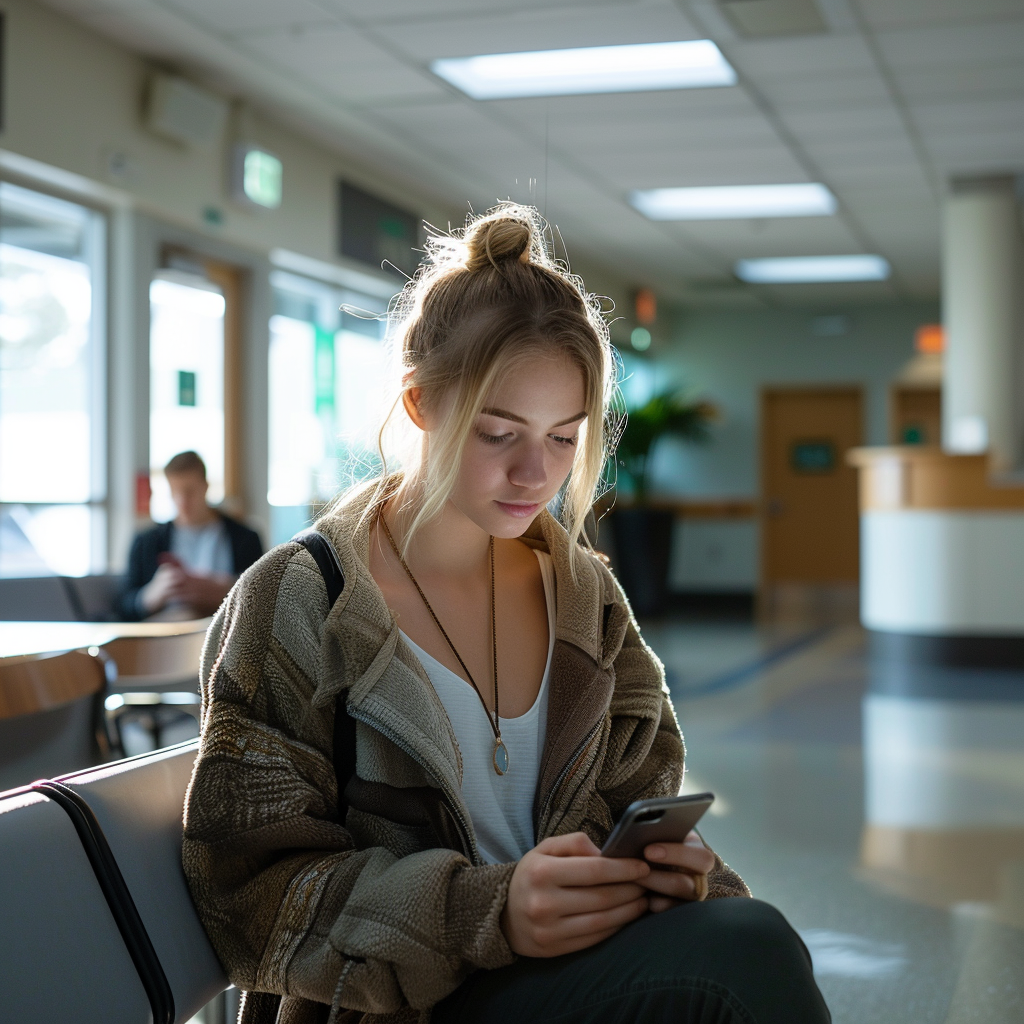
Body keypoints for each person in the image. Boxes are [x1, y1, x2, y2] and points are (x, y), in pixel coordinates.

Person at [182, 205, 830, 1024]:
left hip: (566, 975)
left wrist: (670, 877)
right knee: (748, 956)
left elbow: (640, 796)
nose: (536, 474)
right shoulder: (302, 601)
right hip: (400, 1003)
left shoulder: (582, 599)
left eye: (565, 438)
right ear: (419, 405)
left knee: (745, 938)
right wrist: (487, 912)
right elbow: (249, 895)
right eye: (499, 434)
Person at [117, 451, 263, 620]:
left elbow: (264, 598)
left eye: (189, 491)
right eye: (175, 492)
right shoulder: (147, 542)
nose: (182, 502)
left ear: (206, 486)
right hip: (165, 634)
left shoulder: (245, 539)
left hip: (228, 631)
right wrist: (150, 596)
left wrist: (231, 589)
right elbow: (123, 606)